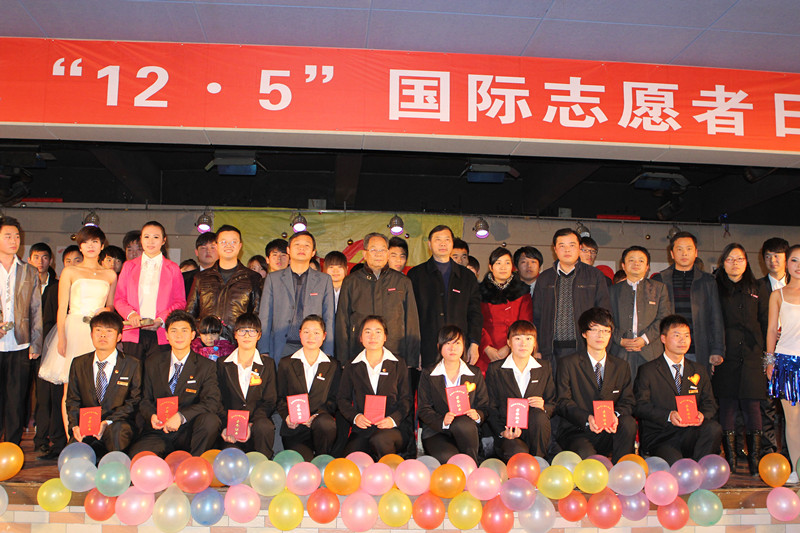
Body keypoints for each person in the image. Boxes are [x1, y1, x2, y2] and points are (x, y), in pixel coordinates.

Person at [129, 310, 221, 457]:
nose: (179, 335)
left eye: (184, 330)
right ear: (166, 335)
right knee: (138, 459)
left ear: (193, 335)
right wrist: (152, 415)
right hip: (159, 430)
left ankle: (194, 463)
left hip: (188, 430)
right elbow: (145, 399)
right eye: (173, 331)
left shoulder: (206, 366)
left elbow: (212, 402)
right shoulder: (152, 362)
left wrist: (181, 416)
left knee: (210, 421)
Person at [633, 315, 721, 465]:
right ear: (663, 338)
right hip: (662, 436)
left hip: (690, 432)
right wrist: (669, 415)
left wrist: (702, 415)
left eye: (686, 335)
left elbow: (710, 403)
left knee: (713, 428)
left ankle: (699, 470)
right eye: (677, 335)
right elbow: (640, 406)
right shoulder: (648, 370)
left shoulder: (698, 370)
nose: (683, 340)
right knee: (676, 466)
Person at [713, 243, 769, 475]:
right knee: (727, 406)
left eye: (739, 259)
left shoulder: (758, 287)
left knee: (752, 406)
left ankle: (755, 461)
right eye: (730, 259)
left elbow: (765, 322)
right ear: (722, 263)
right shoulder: (715, 287)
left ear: (747, 262)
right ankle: (731, 461)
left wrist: (767, 356)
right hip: (725, 355)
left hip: (752, 355)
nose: (734, 263)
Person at [39, 226, 116, 389]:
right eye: (86, 242)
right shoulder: (70, 271)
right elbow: (62, 308)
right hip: (73, 328)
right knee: (70, 386)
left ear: (102, 245)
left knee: (96, 384)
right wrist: (62, 338)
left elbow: (111, 305)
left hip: (98, 330)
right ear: (80, 246)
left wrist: (107, 310)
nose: (90, 246)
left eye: (95, 242)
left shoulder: (110, 275)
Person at [556, 308, 636, 463]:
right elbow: (563, 402)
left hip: (609, 430)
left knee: (628, 423)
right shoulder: (568, 364)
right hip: (578, 430)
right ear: (584, 333)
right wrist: (587, 418)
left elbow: (628, 401)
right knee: (589, 461)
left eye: (606, 331)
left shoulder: (621, 366)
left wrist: (615, 416)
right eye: (595, 330)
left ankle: (621, 469)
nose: (601, 335)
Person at [336, 233, 420, 368]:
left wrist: (411, 359)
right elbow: (342, 321)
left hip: (395, 353)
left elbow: (411, 322)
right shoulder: (351, 282)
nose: (378, 254)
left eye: (382, 250)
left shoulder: (402, 282)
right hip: (359, 353)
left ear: (387, 254)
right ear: (364, 254)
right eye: (373, 249)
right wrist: (343, 359)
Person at [64, 312, 141, 458]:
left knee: (117, 432)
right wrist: (75, 426)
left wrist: (107, 422)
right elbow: (73, 399)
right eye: (98, 330)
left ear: (119, 337)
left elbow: (135, 400)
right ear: (91, 334)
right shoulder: (79, 363)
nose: (103, 335)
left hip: (117, 425)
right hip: (88, 426)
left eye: (109, 331)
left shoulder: (132, 364)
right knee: (73, 457)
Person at [533, 228, 610, 370]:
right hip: (550, 351)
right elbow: (536, 316)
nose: (567, 250)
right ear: (555, 249)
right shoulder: (544, 278)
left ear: (579, 248)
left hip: (583, 349)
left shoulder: (595, 276)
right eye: (562, 246)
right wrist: (536, 347)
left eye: (572, 245)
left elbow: (604, 315)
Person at [408, 225, 482, 369]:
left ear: (452, 244)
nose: (443, 244)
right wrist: (414, 349)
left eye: (447, 240)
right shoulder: (416, 275)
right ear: (429, 244)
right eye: (438, 240)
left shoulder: (467, 277)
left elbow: (475, 313)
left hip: (459, 347)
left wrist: (474, 344)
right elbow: (411, 317)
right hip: (427, 348)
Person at [337, 316, 411, 459]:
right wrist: (355, 417)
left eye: (378, 332)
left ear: (385, 337)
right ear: (360, 337)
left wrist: (392, 419)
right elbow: (342, 399)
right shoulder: (352, 365)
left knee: (380, 440)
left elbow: (406, 399)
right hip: (364, 429)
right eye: (367, 332)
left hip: (393, 428)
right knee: (349, 460)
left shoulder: (398, 363)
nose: (373, 337)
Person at [652, 231, 725, 372]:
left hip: (698, 350)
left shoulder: (708, 281)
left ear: (696, 252)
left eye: (689, 249)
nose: (684, 253)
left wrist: (717, 349)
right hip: (667, 350)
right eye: (679, 249)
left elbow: (716, 317)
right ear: (672, 254)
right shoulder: (659, 280)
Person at [115, 221, 186, 363]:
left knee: (158, 374)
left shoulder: (173, 268)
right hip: (133, 331)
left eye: (156, 237)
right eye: (146, 237)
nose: (151, 241)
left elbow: (180, 302)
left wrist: (161, 319)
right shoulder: (129, 266)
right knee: (131, 374)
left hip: (161, 332)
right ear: (141, 239)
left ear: (164, 240)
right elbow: (119, 299)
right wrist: (131, 314)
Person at [258, 231, 335, 361]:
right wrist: (263, 350)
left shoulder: (324, 280)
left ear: (313, 252)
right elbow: (265, 317)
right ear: (288, 250)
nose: (301, 248)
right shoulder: (273, 279)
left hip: (312, 347)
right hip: (281, 346)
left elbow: (329, 318)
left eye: (307, 245)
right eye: (297, 244)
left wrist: (328, 352)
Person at [417, 325, 488, 464]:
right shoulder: (428, 373)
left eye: (457, 343)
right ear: (439, 346)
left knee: (463, 423)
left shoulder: (475, 373)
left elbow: (484, 405)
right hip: (436, 432)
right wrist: (442, 421)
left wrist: (477, 415)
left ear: (464, 347)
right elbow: (423, 408)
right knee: (451, 461)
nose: (452, 348)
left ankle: (473, 467)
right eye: (447, 343)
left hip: (466, 432)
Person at [485, 320, 555, 461]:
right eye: (518, 339)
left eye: (528, 339)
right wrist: (502, 431)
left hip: (537, 433)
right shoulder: (495, 369)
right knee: (518, 455)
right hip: (508, 433)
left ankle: (540, 462)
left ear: (534, 343)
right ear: (509, 342)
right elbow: (490, 407)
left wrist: (543, 407)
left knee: (539, 416)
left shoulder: (544, 367)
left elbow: (552, 403)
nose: (523, 344)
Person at [0, 217, 42, 447]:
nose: (14, 241)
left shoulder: (29, 271)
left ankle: (12, 448)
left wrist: (36, 343)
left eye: (17, 236)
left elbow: (36, 308)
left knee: (17, 401)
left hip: (20, 343)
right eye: (8, 236)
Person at [277, 315, 340, 461]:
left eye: (316, 332)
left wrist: (317, 416)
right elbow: (280, 397)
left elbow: (334, 400)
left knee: (325, 424)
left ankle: (323, 458)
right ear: (300, 334)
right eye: (306, 332)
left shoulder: (333, 365)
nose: (311, 337)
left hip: (322, 427)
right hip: (295, 428)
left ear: (324, 336)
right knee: (303, 465)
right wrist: (287, 416)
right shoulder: (286, 363)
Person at [186, 225, 262, 341]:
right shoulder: (201, 277)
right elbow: (190, 314)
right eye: (223, 242)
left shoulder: (253, 278)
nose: (228, 246)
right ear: (216, 246)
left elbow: (257, 315)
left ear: (240, 246)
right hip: (207, 343)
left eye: (233, 242)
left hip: (238, 343)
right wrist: (202, 332)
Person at [217, 313, 276, 458]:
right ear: (235, 334)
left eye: (252, 331)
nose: (247, 335)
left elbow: (270, 400)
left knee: (265, 426)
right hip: (231, 429)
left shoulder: (268, 364)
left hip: (257, 427)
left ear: (259, 335)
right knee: (230, 460)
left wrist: (250, 424)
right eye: (242, 330)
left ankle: (264, 464)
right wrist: (226, 424)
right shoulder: (222, 364)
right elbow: (217, 399)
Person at [608, 246, 671, 377]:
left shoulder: (659, 289)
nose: (636, 263)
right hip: (620, 351)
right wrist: (620, 339)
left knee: (650, 387)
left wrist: (644, 339)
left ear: (647, 267)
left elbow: (664, 318)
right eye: (631, 260)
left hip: (650, 351)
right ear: (623, 265)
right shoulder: (612, 291)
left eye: (641, 261)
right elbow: (607, 320)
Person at [766, 244, 800, 484]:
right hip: (786, 362)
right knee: (793, 420)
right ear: (787, 263)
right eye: (794, 260)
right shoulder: (777, 295)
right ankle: (796, 469)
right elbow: (771, 330)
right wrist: (770, 361)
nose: (799, 266)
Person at [478, 247, 533, 373]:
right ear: (491, 267)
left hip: (515, 350)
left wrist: (509, 346)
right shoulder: (479, 291)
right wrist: (487, 347)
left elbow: (525, 323)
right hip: (485, 352)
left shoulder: (522, 291)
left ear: (512, 267)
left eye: (507, 263)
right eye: (498, 263)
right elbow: (475, 321)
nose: (503, 267)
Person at [30, 243, 61, 455]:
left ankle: (43, 439)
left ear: (51, 260)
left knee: (46, 397)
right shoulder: (23, 284)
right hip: (24, 347)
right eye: (36, 257)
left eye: (44, 257)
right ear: (29, 259)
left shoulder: (57, 286)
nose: (40, 262)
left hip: (48, 347)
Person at [182, 232, 217, 298]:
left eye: (212, 247)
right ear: (196, 252)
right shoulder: (184, 279)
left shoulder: (227, 278)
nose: (208, 251)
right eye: (203, 248)